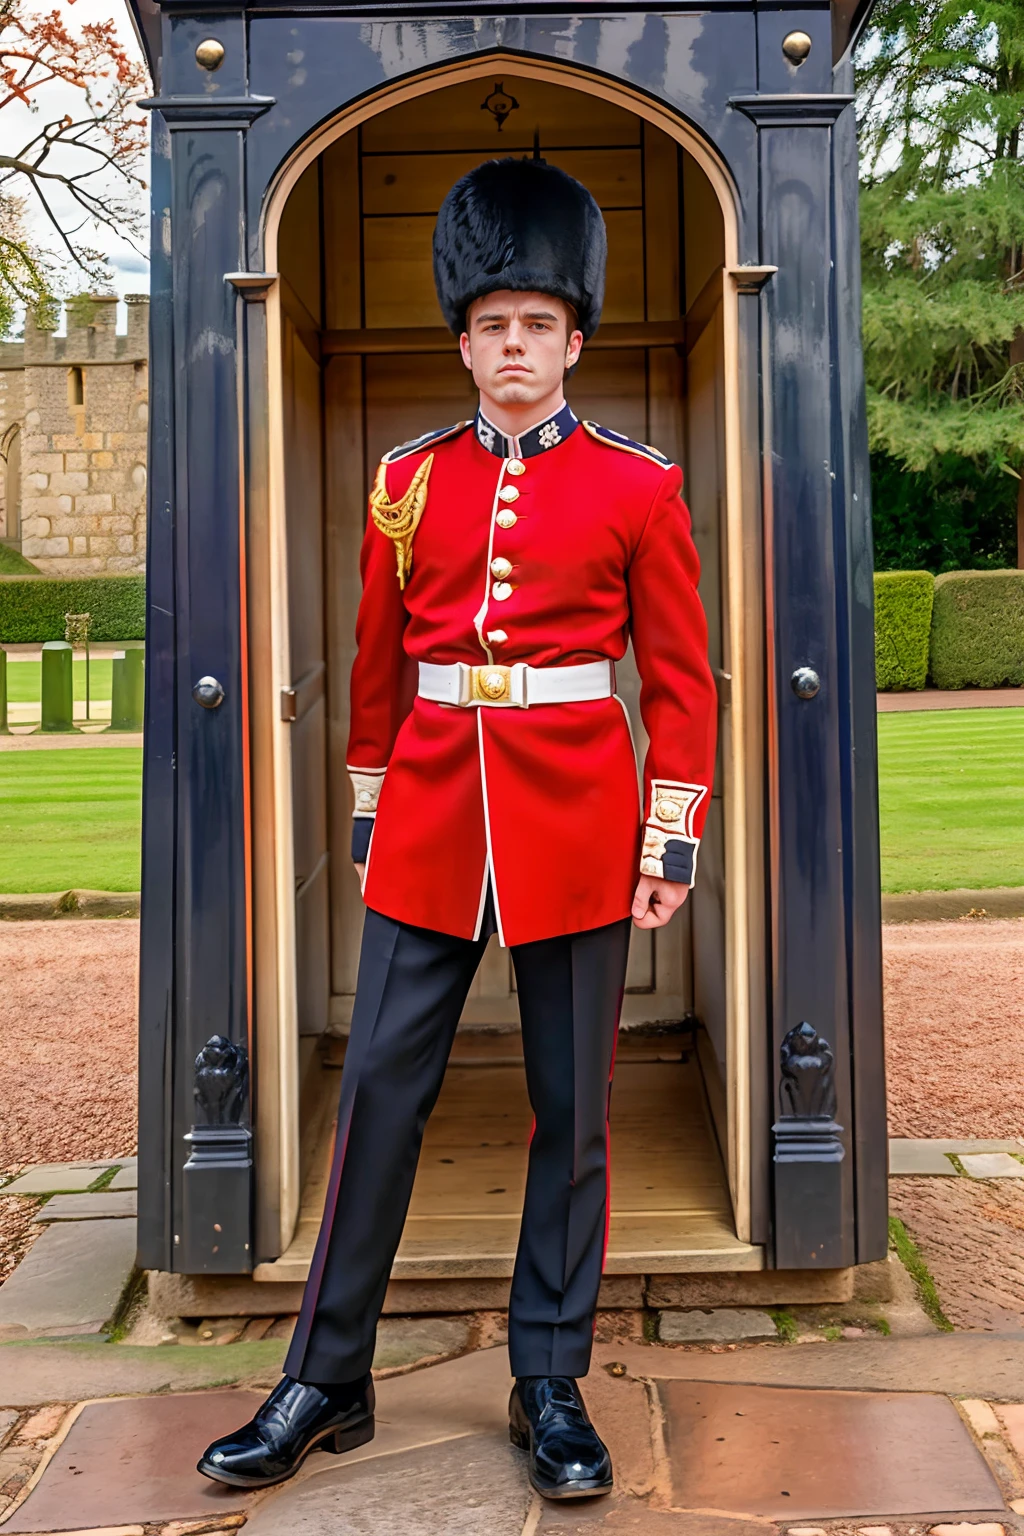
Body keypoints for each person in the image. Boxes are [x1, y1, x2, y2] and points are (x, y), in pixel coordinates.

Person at [198, 155, 717, 1503]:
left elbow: (678, 679)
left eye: (538, 325)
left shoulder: (637, 486)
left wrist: (671, 833)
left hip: (582, 818)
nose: (514, 347)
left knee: (570, 1109)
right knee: (379, 1093)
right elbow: (376, 662)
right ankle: (327, 1374)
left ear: (574, 340)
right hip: (433, 806)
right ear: (468, 339)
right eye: (492, 325)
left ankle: (550, 1379)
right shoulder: (407, 476)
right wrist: (371, 806)